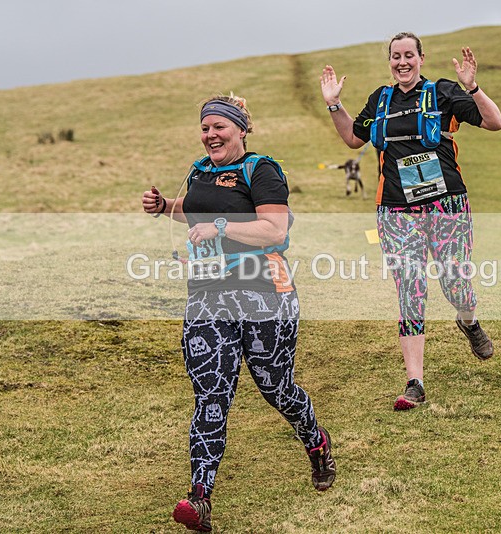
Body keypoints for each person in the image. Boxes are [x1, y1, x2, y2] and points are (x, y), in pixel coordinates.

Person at [142, 93, 335, 532]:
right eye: (205, 128)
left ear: (241, 130)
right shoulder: (199, 171)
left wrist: (221, 227)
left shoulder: (261, 170)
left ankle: (316, 442)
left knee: (276, 388)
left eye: (219, 127)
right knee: (211, 396)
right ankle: (200, 499)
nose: (210, 135)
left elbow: (275, 228)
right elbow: (197, 213)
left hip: (265, 293)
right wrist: (166, 207)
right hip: (207, 296)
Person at [319, 32, 501, 411]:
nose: (402, 62)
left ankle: (469, 322)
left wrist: (473, 88)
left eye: (408, 55)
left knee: (456, 283)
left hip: (446, 204)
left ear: (421, 58)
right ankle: (414, 382)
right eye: (395, 56)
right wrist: (334, 104)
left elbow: (494, 122)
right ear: (389, 61)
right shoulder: (380, 100)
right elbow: (353, 139)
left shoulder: (444, 92)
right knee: (410, 288)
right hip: (396, 210)